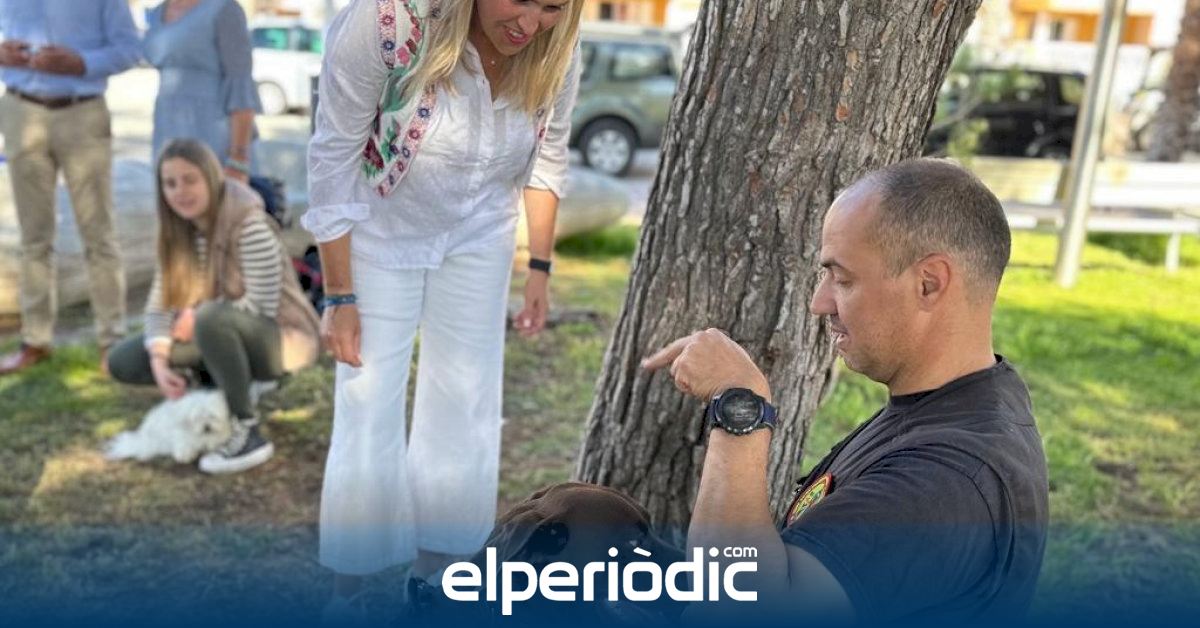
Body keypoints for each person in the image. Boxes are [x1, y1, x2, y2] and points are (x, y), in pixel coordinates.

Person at [487, 159, 1049, 623]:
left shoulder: (948, 483)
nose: (820, 303)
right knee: (582, 527)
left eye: (843, 278)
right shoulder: (950, 403)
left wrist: (740, 406)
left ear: (929, 283)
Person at [301, 0, 583, 616]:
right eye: (521, 0)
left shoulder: (558, 47)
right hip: (378, 233)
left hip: (479, 236)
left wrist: (538, 267)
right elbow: (332, 158)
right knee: (367, 400)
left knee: (466, 403)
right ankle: (349, 593)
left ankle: (437, 583)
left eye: (552, 7)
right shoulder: (384, 22)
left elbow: (549, 157)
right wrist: (340, 295)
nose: (530, 24)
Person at [105, 139, 319, 475]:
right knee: (124, 360)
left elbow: (261, 304)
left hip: (281, 337)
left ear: (211, 177)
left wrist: (196, 317)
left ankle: (246, 431)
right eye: (170, 183)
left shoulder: (249, 224)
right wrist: (159, 360)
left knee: (210, 319)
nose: (180, 192)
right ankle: (211, 392)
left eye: (190, 180)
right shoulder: (178, 231)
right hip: (218, 330)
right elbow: (160, 301)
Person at [0, 0, 140, 375]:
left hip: (82, 113)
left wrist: (81, 63)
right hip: (21, 112)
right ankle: (35, 340)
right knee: (34, 237)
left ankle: (112, 341)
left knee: (99, 235)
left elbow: (130, 48)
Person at [143, 0, 261, 183]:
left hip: (212, 132)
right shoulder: (158, 12)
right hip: (167, 128)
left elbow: (241, 84)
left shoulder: (224, 9)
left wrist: (238, 158)